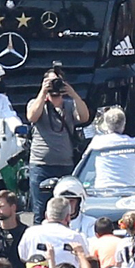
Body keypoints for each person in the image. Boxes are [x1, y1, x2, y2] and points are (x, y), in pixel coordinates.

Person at [26, 69, 89, 222]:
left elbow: (84, 117)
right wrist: (43, 92)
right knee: (40, 211)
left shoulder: (69, 105)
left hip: (65, 164)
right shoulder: (36, 103)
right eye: (51, 83)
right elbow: (32, 116)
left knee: (66, 209)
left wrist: (73, 94)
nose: (54, 87)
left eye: (57, 83)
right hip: (41, 165)